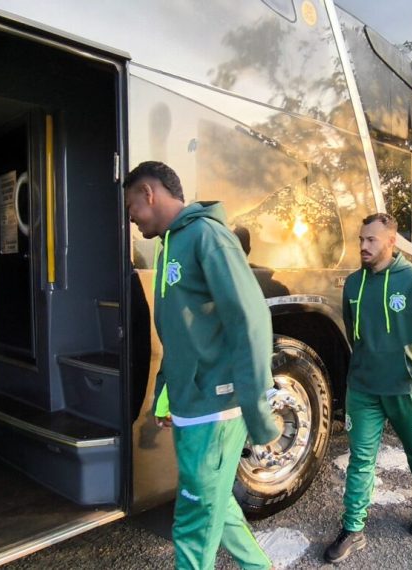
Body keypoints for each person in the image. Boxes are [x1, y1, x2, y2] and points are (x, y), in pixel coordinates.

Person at [124, 161, 281, 570]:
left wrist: (257, 408)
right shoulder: (170, 243)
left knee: (193, 524)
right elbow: (179, 331)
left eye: (131, 208)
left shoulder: (208, 235)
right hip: (193, 402)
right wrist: (166, 392)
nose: (132, 219)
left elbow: (251, 319)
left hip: (218, 405)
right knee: (214, 503)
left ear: (149, 193)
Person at [323, 213, 412, 564]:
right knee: (360, 460)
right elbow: (354, 334)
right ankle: (353, 528)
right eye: (361, 239)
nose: (363, 246)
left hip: (406, 388)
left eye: (371, 240)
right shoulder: (352, 284)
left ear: (391, 243)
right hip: (363, 388)